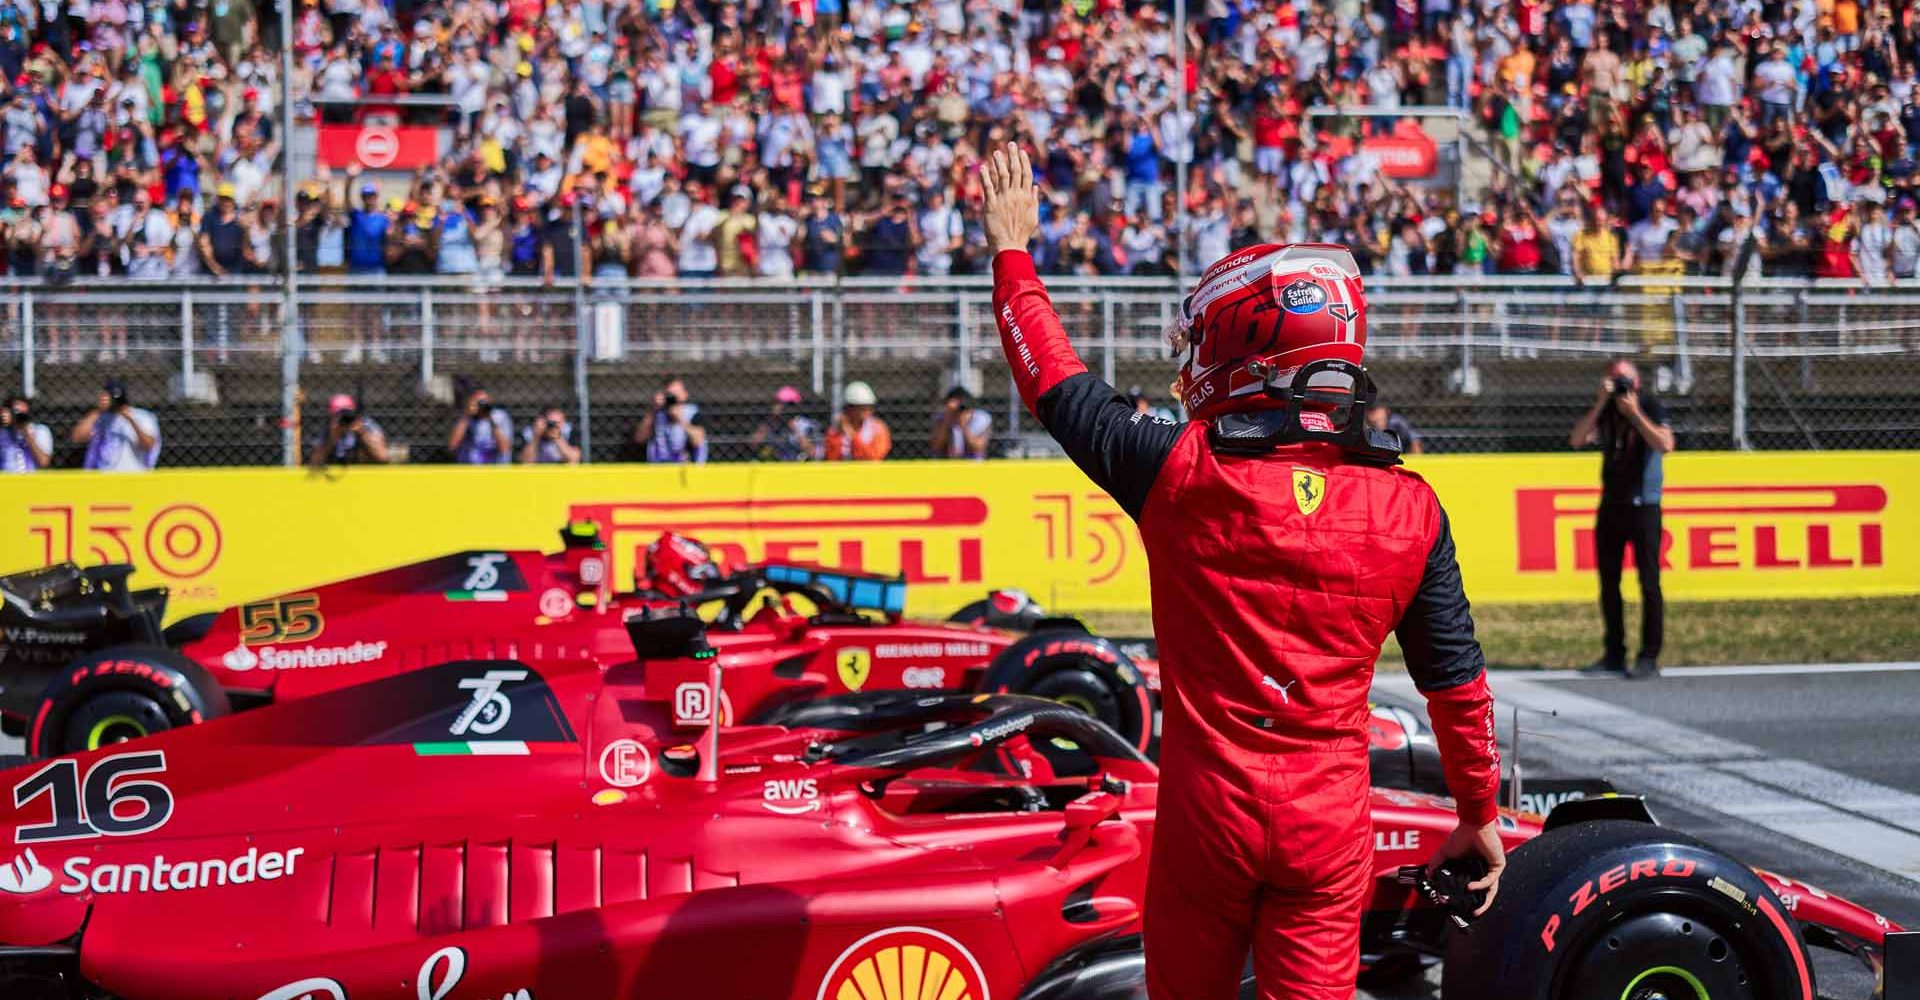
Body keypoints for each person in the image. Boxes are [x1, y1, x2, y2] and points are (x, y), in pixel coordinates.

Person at [979, 144, 1502, 1000]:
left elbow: (1056, 384)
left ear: (1249, 349)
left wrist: (1012, 250)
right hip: (1332, 824)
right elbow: (1457, 681)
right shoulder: (1412, 509)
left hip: (1204, 820)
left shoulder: (1179, 470)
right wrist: (1479, 815)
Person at [1569, 360, 1676, 678]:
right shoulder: (1605, 410)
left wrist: (1635, 414)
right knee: (1608, 582)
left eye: (1625, 381)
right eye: (1614, 381)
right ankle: (1614, 653)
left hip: (1644, 505)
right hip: (1611, 504)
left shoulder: (1649, 406)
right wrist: (1601, 402)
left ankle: (1649, 656)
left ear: (1638, 382)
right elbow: (1576, 439)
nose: (1620, 387)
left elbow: (1665, 444)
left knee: (1649, 582)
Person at [72, 379, 161, 471]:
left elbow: (149, 445)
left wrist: (131, 420)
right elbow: (77, 437)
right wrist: (98, 411)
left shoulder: (142, 416)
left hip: (134, 476)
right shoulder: (100, 417)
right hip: (104, 478)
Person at [634, 377, 707, 463]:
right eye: (670, 395)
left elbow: (699, 441)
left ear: (685, 395)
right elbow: (639, 438)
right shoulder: (657, 413)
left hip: (684, 464)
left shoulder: (692, 412)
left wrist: (680, 420)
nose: (673, 399)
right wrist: (653, 410)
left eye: (676, 394)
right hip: (659, 465)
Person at [309, 393, 390, 467]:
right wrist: (332, 438)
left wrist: (362, 433)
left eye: (347, 415)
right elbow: (314, 462)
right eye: (339, 415)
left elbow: (383, 457)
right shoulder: (329, 428)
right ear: (331, 415)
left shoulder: (365, 425)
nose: (344, 419)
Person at [824, 380, 891, 460]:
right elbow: (831, 459)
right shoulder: (835, 431)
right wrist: (838, 435)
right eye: (862, 408)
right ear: (850, 409)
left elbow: (873, 458)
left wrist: (852, 435)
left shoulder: (878, 429)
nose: (868, 411)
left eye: (869, 407)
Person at [749, 385, 817, 461]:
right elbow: (753, 444)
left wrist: (794, 428)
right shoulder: (773, 424)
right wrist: (771, 419)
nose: (777, 407)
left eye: (781, 404)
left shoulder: (805, 425)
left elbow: (812, 452)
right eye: (776, 403)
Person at [449, 387, 513, 465]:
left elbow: (504, 449)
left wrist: (490, 419)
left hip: (495, 468)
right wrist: (467, 415)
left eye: (484, 402)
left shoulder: (500, 416)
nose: (482, 406)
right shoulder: (466, 419)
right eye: (479, 403)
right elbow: (453, 445)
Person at [930, 386, 992, 459]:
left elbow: (978, 448)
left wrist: (964, 426)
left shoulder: (981, 419)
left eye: (962, 408)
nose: (959, 413)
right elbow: (936, 446)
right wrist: (946, 420)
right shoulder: (943, 418)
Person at [0, 394, 53, 472]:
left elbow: (44, 462)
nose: (19, 418)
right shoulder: (3, 433)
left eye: (22, 414)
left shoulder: (40, 431)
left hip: (32, 480)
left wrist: (27, 435)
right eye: (16, 413)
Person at [518, 405, 582, 464]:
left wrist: (557, 437)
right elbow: (525, 461)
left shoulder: (569, 431)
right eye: (551, 422)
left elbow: (574, 458)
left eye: (559, 423)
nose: (555, 426)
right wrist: (536, 436)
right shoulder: (530, 432)